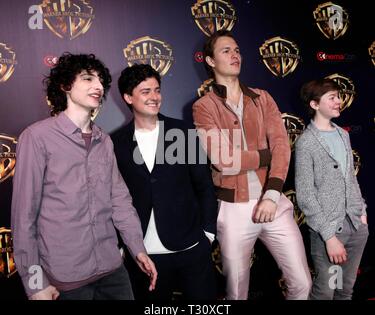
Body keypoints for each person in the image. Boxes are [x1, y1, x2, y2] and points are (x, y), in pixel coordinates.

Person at [11, 53, 157, 300]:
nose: (98, 86)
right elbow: (24, 217)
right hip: (66, 279)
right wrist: (35, 283)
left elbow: (120, 202)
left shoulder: (105, 141)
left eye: (101, 81)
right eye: (88, 79)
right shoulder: (36, 138)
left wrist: (138, 250)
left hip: (113, 271)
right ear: (66, 85)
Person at [192, 30, 311, 300]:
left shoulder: (262, 97)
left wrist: (271, 194)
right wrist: (265, 155)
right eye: (226, 51)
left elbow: (282, 146)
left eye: (237, 50)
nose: (235, 55)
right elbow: (224, 160)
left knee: (302, 283)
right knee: (236, 292)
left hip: (274, 202)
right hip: (233, 210)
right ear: (210, 61)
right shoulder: (203, 106)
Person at [111, 63, 218, 300]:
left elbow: (204, 185)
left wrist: (208, 233)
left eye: (157, 90)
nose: (154, 97)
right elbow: (115, 200)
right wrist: (123, 246)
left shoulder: (181, 132)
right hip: (145, 256)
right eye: (145, 91)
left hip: (191, 247)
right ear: (128, 97)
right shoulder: (115, 143)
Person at [295, 78, 368, 300]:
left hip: (356, 225)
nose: (339, 101)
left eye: (339, 96)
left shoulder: (342, 134)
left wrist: (362, 212)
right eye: (332, 97)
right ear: (315, 104)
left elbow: (350, 178)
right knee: (325, 291)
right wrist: (329, 238)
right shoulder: (306, 142)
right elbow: (305, 194)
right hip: (328, 230)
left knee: (344, 290)